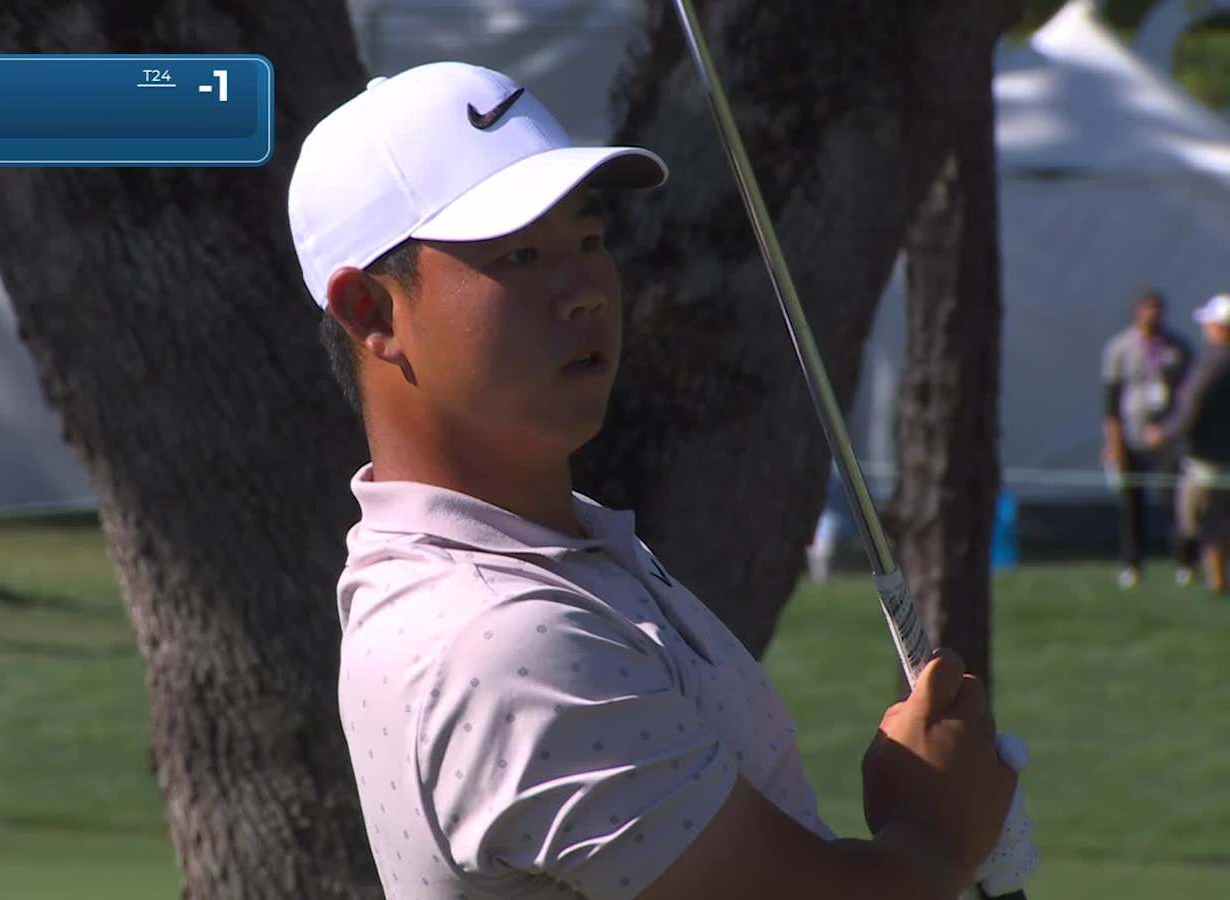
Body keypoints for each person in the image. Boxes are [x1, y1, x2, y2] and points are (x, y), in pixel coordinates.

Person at [288, 62, 1025, 898]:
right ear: (371, 313)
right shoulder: (500, 637)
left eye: (591, 241)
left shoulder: (561, 554)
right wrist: (933, 830)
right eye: (521, 253)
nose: (584, 292)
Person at [1100, 290, 1194, 588]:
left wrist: (1174, 431)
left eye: (1159, 310)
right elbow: (1111, 402)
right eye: (1148, 309)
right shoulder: (1120, 348)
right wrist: (1113, 443)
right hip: (1132, 435)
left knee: (1174, 502)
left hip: (1167, 438)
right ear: (1136, 311)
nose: (1154, 315)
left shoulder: (1178, 347)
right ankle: (1132, 564)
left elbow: (1188, 397)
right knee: (1131, 504)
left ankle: (1184, 562)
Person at [1147, 294, 1230, 595]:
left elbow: (1190, 408)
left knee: (1205, 521)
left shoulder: (1213, 365)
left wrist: (1162, 434)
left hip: (1209, 460)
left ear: (1221, 328)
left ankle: (1218, 582)